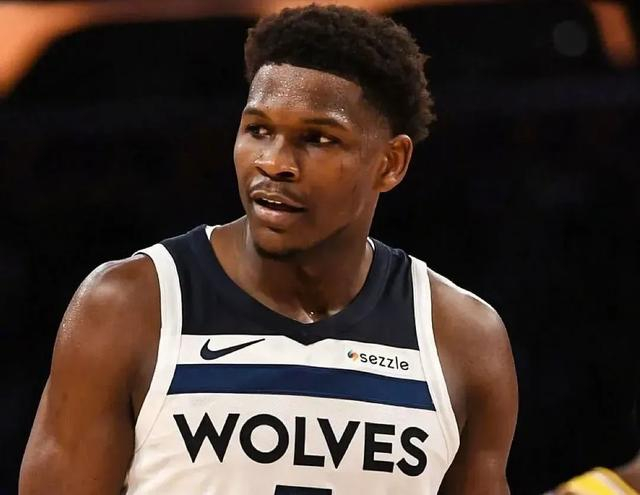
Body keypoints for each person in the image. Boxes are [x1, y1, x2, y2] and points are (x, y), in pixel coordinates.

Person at [19, 4, 517, 494]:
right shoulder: (129, 307)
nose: (275, 163)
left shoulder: (462, 338)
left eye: (317, 138)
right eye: (259, 130)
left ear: (391, 162)